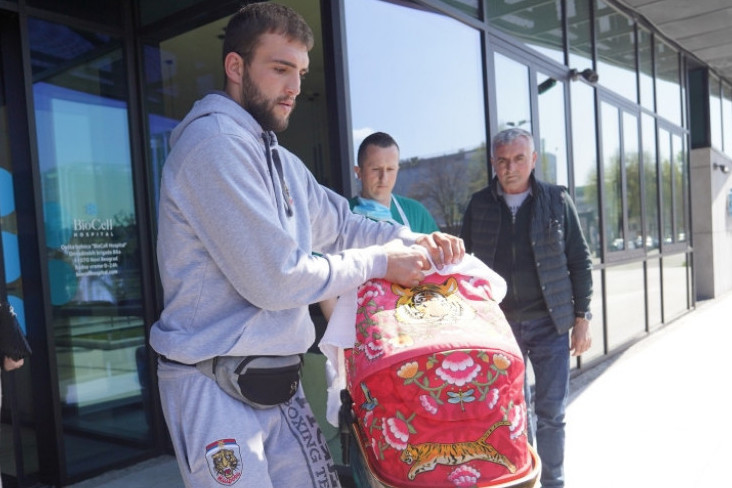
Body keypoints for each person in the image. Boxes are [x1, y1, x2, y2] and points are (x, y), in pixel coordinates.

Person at [149, 4, 464, 488]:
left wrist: (420, 241)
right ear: (236, 68)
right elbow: (277, 279)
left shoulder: (281, 161)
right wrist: (383, 261)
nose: (294, 87)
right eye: (280, 69)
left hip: (277, 381)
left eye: (299, 72)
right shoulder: (213, 146)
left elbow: (345, 225)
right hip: (210, 385)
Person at [460, 128, 592, 488]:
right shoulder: (479, 205)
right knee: (513, 412)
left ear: (533, 160)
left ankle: (554, 482)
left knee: (551, 414)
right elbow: (464, 270)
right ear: (493, 163)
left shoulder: (556, 199)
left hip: (551, 323)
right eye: (502, 160)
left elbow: (579, 262)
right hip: (501, 328)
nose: (511, 167)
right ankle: (525, 479)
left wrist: (583, 318)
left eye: (519, 158)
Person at [350, 131, 439, 233]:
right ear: (359, 172)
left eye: (390, 169)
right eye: (375, 169)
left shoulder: (417, 213)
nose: (384, 178)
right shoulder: (342, 216)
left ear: (397, 170)